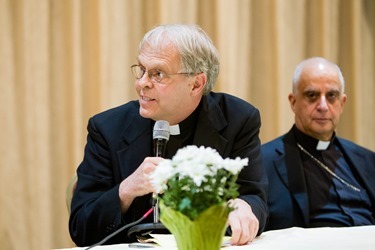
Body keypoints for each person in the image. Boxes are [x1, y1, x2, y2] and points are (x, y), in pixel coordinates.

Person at [69, 24, 268, 247]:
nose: (142, 83)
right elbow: (81, 228)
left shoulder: (238, 120)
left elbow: (255, 196)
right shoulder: (107, 129)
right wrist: (126, 190)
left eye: (158, 74)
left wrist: (244, 206)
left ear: (196, 84)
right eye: (142, 70)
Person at [262, 57, 375, 231]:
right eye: (312, 95)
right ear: (293, 102)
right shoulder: (263, 161)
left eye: (331, 96)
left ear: (342, 103)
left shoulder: (367, 160)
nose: (323, 106)